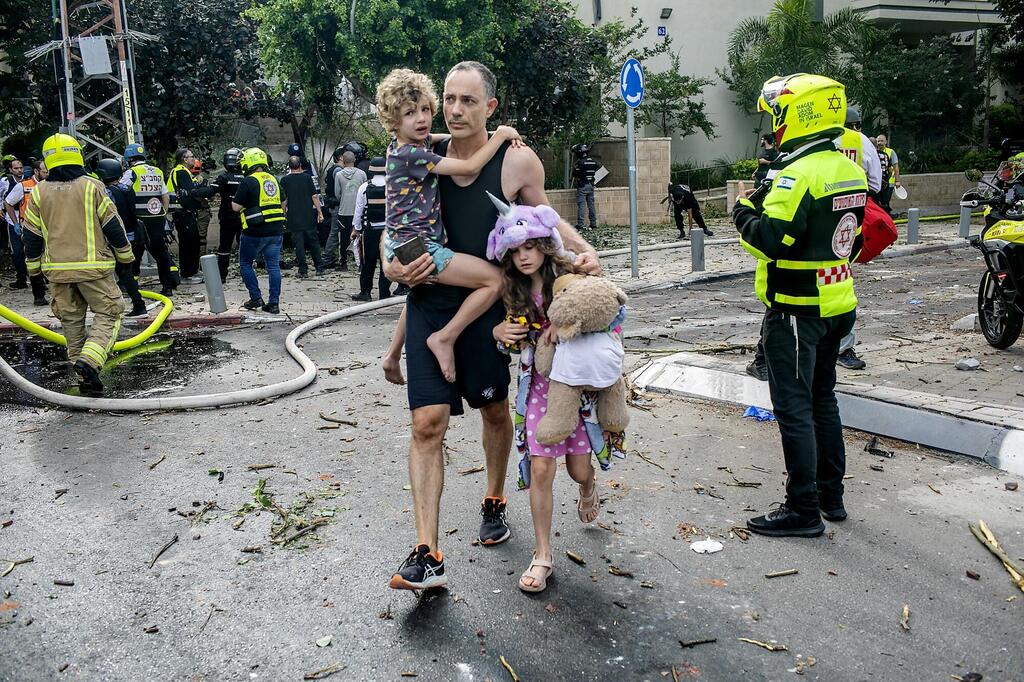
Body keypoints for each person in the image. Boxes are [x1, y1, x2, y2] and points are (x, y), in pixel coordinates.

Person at [382, 61, 600, 591]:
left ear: (490, 108)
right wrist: (391, 263)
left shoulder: (514, 159)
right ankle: (427, 553)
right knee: (426, 424)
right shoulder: (424, 147)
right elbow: (396, 228)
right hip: (429, 301)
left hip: (488, 309)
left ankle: (495, 496)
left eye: (468, 101)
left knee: (495, 411)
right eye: (449, 99)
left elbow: (545, 221)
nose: (456, 110)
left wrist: (582, 250)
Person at [732, 73, 866, 538]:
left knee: (794, 409)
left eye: (778, 115)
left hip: (795, 309)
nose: (774, 125)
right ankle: (832, 498)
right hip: (837, 303)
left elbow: (772, 241)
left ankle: (802, 508)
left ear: (796, 115)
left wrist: (742, 211)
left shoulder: (797, 174)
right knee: (823, 399)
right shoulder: (848, 168)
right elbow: (857, 239)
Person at [490, 227, 624, 593]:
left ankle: (589, 485)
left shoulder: (573, 278)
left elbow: (611, 312)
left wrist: (563, 329)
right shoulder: (513, 293)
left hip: (577, 390)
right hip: (538, 389)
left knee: (578, 469)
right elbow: (512, 347)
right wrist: (499, 334)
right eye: (516, 250)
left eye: (530, 246)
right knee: (542, 469)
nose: (524, 256)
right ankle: (542, 554)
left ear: (546, 247)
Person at [374, 67, 518, 385]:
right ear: (394, 121)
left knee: (418, 292)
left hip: (400, 240)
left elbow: (438, 138)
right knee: (495, 281)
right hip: (418, 244)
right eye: (410, 113)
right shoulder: (414, 155)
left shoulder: (400, 147)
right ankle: (445, 338)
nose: (421, 119)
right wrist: (501, 136)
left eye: (425, 109)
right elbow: (468, 165)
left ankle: (392, 355)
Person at [22, 134, 135, 395]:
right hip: (93, 269)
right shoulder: (92, 186)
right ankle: (90, 361)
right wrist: (126, 258)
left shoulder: (38, 192)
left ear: (48, 160)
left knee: (72, 323)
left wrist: (34, 271)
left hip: (57, 273)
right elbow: (113, 226)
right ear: (77, 155)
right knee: (110, 312)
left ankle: (84, 377)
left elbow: (31, 236)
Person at [231, 147, 285, 314]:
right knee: (273, 267)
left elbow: (235, 207)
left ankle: (256, 298)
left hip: (254, 232)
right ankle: (274, 303)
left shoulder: (248, 181)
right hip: (276, 231)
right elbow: (283, 201)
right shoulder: (273, 179)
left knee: (246, 264)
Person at [121, 143, 178, 297]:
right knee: (161, 253)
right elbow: (165, 196)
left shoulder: (131, 173)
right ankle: (167, 287)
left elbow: (121, 192)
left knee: (134, 253)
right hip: (157, 218)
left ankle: (130, 287)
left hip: (139, 220)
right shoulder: (157, 172)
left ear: (129, 159)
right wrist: (163, 213)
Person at [96, 158, 148, 317]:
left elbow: (108, 216)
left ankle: (139, 305)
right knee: (125, 270)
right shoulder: (127, 188)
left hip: (118, 237)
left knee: (123, 271)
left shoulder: (108, 192)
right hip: (134, 234)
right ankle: (134, 302)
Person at [4, 157, 49, 305]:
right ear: (36, 171)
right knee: (31, 259)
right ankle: (38, 293)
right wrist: (16, 223)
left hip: (47, 227)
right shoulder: (24, 186)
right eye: (44, 171)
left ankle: (47, 282)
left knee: (47, 257)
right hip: (29, 229)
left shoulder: (50, 185)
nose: (47, 173)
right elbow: (8, 203)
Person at [167, 148, 215, 283]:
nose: (193, 159)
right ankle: (188, 273)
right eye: (191, 156)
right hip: (183, 212)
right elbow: (191, 193)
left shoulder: (181, 172)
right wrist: (208, 191)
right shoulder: (181, 172)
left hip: (183, 212)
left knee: (191, 241)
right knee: (189, 243)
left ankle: (192, 270)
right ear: (184, 159)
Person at [349, 156, 390, 301]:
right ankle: (384, 293)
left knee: (368, 263)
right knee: (386, 261)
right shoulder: (391, 186)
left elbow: (358, 211)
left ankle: (365, 292)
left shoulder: (365, 187)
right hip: (388, 231)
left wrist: (356, 229)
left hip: (370, 231)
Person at [280, 155, 325, 278]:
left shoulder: (285, 180)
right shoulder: (307, 178)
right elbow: (314, 196)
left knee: (298, 244)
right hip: (308, 215)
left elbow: (284, 200)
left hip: (293, 216)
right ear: (300, 165)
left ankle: (303, 270)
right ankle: (319, 267)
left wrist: (283, 215)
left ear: (289, 166)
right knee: (313, 241)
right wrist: (320, 213)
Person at [323, 151, 365, 270]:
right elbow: (364, 191)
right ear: (354, 160)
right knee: (360, 236)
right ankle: (361, 263)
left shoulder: (339, 175)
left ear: (344, 161)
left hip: (343, 210)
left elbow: (337, 193)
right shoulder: (362, 174)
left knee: (344, 237)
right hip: (358, 210)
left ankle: (343, 263)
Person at [211, 148, 245, 282]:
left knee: (224, 247)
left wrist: (193, 192)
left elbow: (211, 190)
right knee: (244, 246)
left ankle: (221, 276)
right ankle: (245, 274)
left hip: (227, 217)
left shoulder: (224, 178)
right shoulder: (246, 177)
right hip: (243, 217)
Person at [321, 147, 346, 247]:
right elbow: (339, 190)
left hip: (333, 203)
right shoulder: (338, 171)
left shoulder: (333, 169)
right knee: (334, 232)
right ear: (340, 157)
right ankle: (328, 256)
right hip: (336, 204)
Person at [571, 143, 599, 230]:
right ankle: (593, 223)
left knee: (581, 205)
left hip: (582, 185)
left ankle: (580, 224)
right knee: (591, 205)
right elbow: (597, 168)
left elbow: (575, 174)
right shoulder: (593, 161)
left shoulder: (580, 163)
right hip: (591, 185)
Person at [191, 159, 213, 260]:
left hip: (195, 211)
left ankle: (196, 259)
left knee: (195, 237)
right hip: (203, 211)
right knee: (202, 237)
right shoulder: (205, 181)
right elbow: (211, 196)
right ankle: (201, 259)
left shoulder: (187, 180)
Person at [875, 134, 900, 214]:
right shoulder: (873, 152)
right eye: (878, 141)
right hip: (877, 183)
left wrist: (897, 181)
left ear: (886, 142)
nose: (880, 143)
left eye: (882, 141)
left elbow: (896, 167)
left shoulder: (890, 152)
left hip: (889, 183)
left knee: (885, 201)